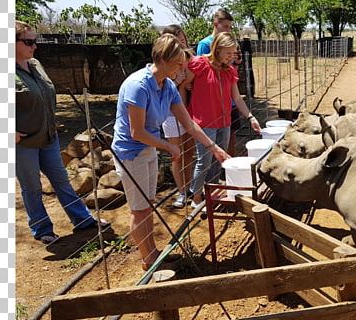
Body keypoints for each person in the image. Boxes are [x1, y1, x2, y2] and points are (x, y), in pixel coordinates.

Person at [111, 34, 230, 270]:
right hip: (130, 152)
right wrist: (168, 146)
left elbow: (189, 124)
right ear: (163, 60)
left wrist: (213, 147)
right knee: (139, 208)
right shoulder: (139, 86)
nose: (182, 69)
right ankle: (149, 260)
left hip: (148, 149)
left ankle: (153, 253)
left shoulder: (167, 86)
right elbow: (136, 132)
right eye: (178, 64)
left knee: (148, 204)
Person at [15, 20, 110, 245]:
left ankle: (82, 219)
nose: (34, 46)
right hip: (24, 142)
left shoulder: (35, 64)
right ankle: (41, 228)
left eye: (35, 41)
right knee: (32, 187)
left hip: (48, 136)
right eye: (29, 41)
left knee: (62, 180)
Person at [187, 32, 262, 209]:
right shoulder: (199, 64)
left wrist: (250, 117)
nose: (231, 57)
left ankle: (211, 192)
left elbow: (237, 98)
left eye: (233, 53)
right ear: (218, 50)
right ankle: (196, 197)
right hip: (203, 123)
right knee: (204, 161)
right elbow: (184, 85)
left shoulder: (229, 71)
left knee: (217, 160)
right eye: (228, 53)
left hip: (224, 122)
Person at [196, 8, 245, 156]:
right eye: (225, 26)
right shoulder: (205, 44)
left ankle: (226, 168)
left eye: (230, 27)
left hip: (228, 100)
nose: (228, 30)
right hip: (212, 106)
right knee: (209, 151)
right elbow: (202, 76)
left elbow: (228, 71)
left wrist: (236, 63)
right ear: (215, 24)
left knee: (231, 136)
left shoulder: (229, 43)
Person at [160, 25, 196, 208]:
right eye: (178, 40)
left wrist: (185, 83)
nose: (182, 42)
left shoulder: (189, 58)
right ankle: (181, 191)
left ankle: (188, 187)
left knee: (189, 152)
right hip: (170, 114)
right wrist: (179, 82)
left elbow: (189, 80)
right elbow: (175, 86)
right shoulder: (167, 65)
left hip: (188, 111)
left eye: (183, 39)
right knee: (176, 154)